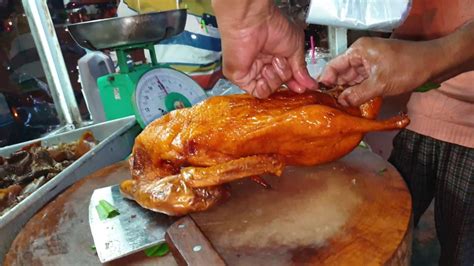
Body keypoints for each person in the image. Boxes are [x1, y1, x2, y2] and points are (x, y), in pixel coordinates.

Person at [212, 0, 474, 265]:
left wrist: (429, 57)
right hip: (415, 104)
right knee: (378, 230)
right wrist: (249, 15)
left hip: (468, 123)